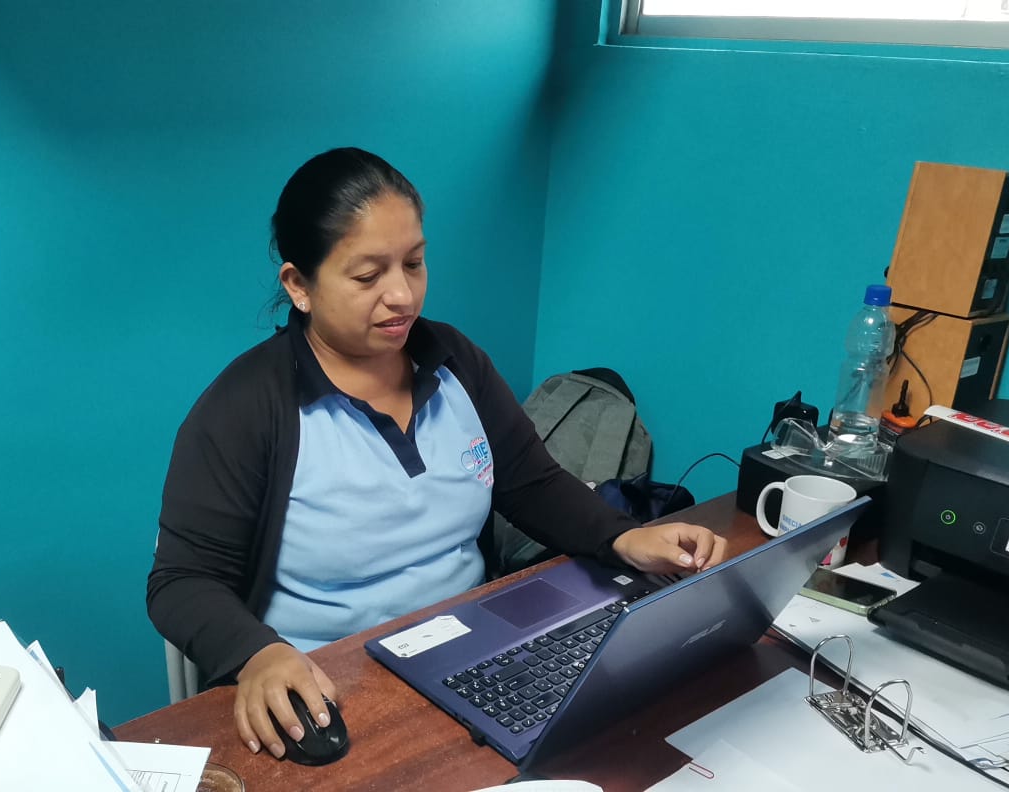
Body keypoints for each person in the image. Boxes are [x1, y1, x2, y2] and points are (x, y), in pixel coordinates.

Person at [146, 147, 728, 760]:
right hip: (329, 686)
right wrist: (258, 655)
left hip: (476, 655)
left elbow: (531, 484)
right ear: (300, 286)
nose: (402, 294)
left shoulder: (455, 362)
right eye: (367, 276)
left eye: (414, 263)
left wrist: (623, 537)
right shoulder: (246, 408)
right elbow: (182, 581)